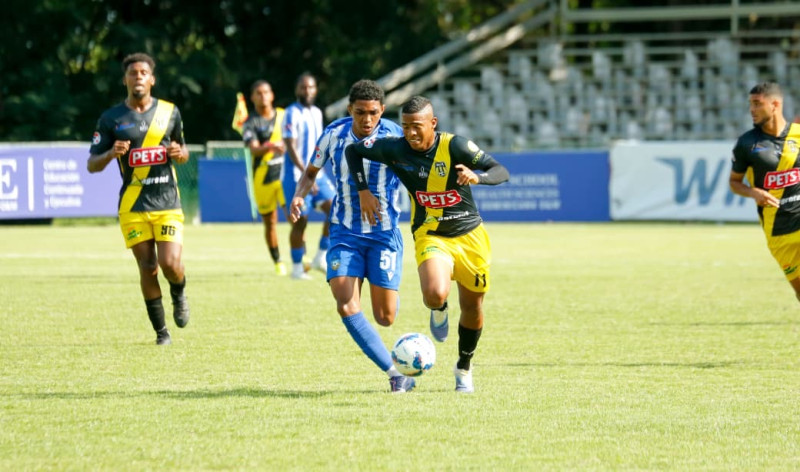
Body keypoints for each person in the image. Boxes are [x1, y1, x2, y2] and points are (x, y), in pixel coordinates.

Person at [345, 95, 510, 393]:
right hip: (430, 233)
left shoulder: (456, 146)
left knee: (472, 307)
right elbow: (352, 151)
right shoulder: (394, 148)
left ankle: (463, 367)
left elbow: (501, 171)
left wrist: (478, 177)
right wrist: (363, 190)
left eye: (417, 126)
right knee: (434, 293)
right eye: (405, 126)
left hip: (471, 236)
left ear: (433, 123)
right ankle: (439, 307)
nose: (410, 133)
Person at [290, 79, 415, 393]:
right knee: (345, 304)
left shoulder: (395, 137)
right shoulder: (334, 134)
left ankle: (388, 288)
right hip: (345, 232)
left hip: (384, 234)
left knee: (385, 317)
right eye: (360, 112)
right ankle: (395, 374)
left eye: (373, 112)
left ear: (382, 110)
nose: (367, 119)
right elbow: (311, 172)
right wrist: (299, 195)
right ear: (350, 109)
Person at [87, 52, 190, 346]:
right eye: (133, 73)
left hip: (167, 203)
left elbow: (183, 152)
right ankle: (161, 333)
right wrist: (111, 153)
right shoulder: (111, 118)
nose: (138, 77)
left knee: (170, 264)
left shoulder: (169, 112)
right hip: (133, 206)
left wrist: (179, 154)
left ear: (152, 79)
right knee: (147, 267)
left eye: (144, 72)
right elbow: (92, 164)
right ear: (125, 80)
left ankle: (179, 291)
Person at [730, 81, 800, 301]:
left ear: (775, 104)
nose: (752, 109)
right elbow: (734, 182)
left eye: (757, 103)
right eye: (751, 104)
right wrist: (754, 193)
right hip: (778, 231)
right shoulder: (747, 144)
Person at [282, 72, 335, 280]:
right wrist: (307, 174)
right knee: (300, 222)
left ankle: (320, 257)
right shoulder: (291, 113)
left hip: (317, 174)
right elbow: (290, 145)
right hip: (296, 175)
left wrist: (317, 171)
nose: (307, 91)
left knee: (336, 209)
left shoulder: (317, 113)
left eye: (311, 87)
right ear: (297, 90)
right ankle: (297, 268)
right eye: (303, 87)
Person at [242, 80, 288, 276]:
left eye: (266, 92)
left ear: (272, 95)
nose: (263, 96)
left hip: (285, 173)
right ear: (252, 97)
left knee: (296, 215)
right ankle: (278, 261)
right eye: (258, 93)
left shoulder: (284, 116)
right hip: (263, 176)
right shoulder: (250, 122)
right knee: (270, 222)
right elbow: (253, 149)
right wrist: (270, 146)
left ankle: (300, 255)